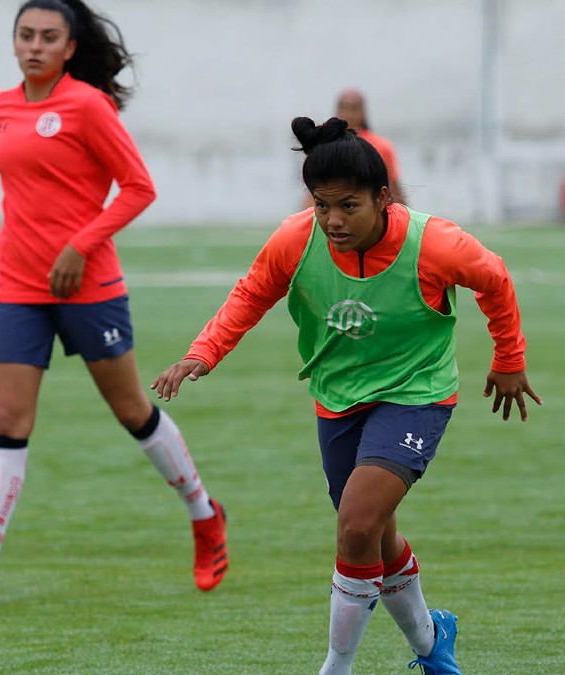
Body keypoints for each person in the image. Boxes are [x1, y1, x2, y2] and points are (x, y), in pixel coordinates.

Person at [153, 117, 541, 674]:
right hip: (337, 398)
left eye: (349, 206)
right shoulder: (296, 238)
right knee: (373, 535)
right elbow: (252, 293)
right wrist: (201, 353)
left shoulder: (434, 243)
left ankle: (335, 668)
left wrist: (509, 360)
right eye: (321, 205)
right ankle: (433, 645)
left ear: (383, 198)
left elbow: (495, 279)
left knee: (356, 524)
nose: (333, 220)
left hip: (416, 392)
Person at [0, 0, 228, 602]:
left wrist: (80, 245)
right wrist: (2, 255)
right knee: (8, 421)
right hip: (16, 286)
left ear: (69, 48)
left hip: (87, 284)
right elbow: (24, 193)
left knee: (132, 411)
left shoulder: (88, 107)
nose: (34, 45)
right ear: (14, 43)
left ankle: (203, 514)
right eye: (25, 35)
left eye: (48, 37)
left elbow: (139, 187)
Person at [304, 89, 406, 209]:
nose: (348, 114)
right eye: (343, 108)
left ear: (363, 113)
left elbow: (393, 186)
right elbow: (313, 189)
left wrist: (404, 215)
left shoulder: (381, 146)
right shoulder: (324, 145)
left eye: (353, 109)